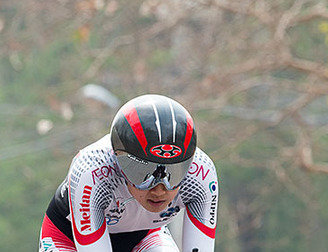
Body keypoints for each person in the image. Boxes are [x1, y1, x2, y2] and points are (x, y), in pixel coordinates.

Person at [39, 94, 218, 252]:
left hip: (144, 237)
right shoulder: (92, 171)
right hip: (68, 240)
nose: (159, 189)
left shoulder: (201, 173)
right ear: (119, 160)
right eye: (143, 173)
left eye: (173, 173)